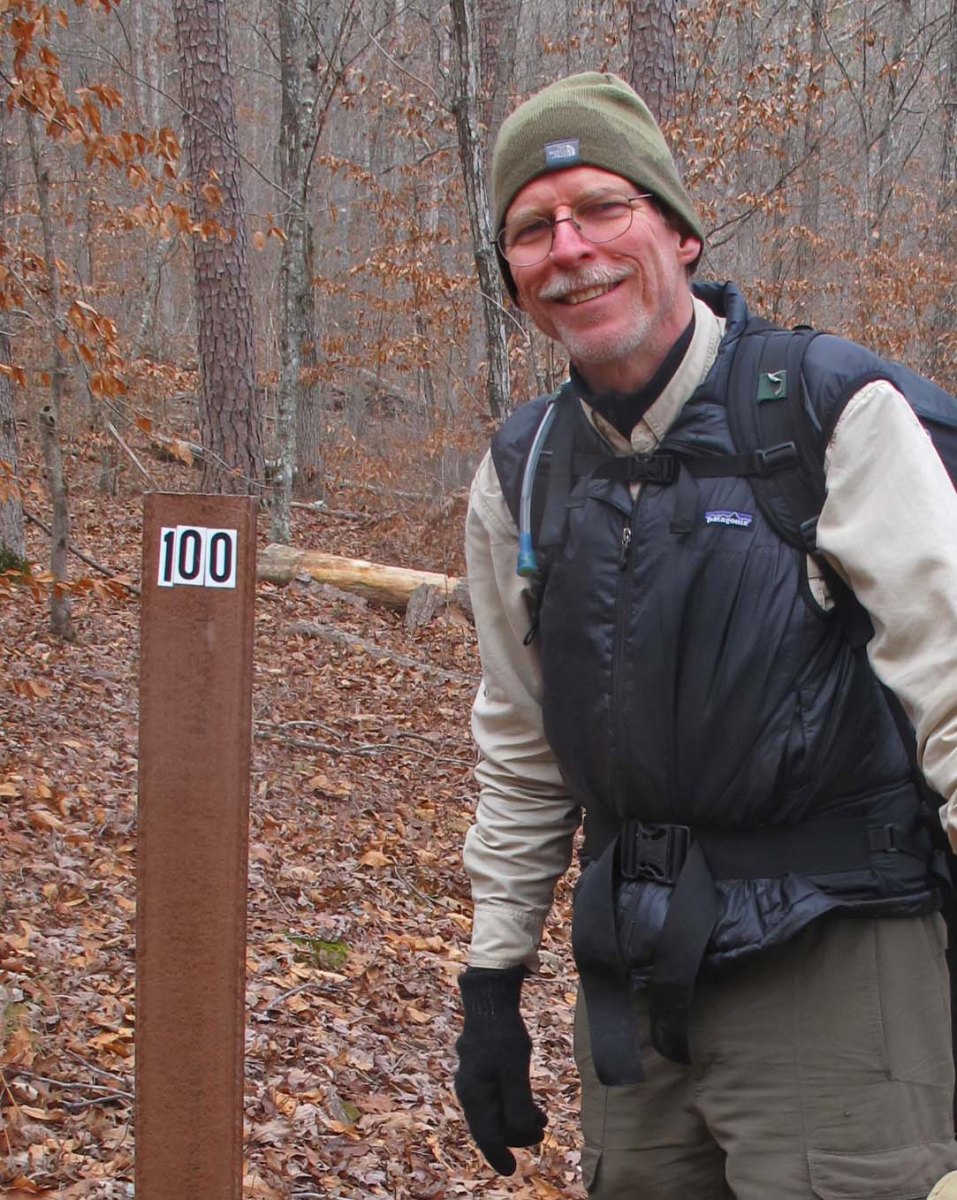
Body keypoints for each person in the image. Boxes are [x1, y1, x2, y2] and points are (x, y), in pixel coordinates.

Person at [453, 71, 957, 1200]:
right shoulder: (523, 470)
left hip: (840, 957)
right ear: (515, 278)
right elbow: (523, 744)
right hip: (638, 976)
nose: (570, 248)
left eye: (602, 207)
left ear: (678, 232)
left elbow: (952, 682)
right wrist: (492, 978)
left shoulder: (826, 413)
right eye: (533, 229)